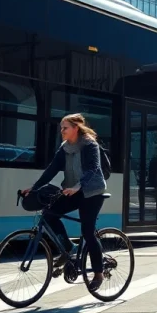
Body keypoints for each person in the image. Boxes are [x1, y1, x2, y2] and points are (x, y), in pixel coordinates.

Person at [22, 113, 109, 290]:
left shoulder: (89, 145)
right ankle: (69, 248)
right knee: (49, 215)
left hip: (92, 192)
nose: (61, 131)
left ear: (76, 128)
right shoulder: (65, 148)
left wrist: (78, 186)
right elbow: (52, 169)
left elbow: (93, 169)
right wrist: (34, 187)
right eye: (61, 128)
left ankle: (98, 273)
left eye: (65, 128)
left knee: (87, 231)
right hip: (72, 191)